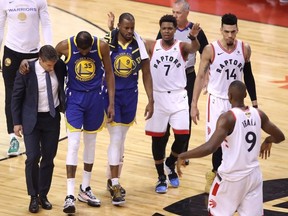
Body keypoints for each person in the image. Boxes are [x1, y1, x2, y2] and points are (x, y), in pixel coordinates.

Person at [177, 80, 285, 215]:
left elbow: (210, 147)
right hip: (253, 176)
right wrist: (268, 140)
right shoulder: (259, 114)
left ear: (229, 96)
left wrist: (183, 155)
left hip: (231, 178)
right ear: (245, 94)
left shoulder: (228, 118)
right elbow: (280, 136)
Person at [191, 13, 258, 194]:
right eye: (226, 32)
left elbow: (249, 76)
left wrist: (255, 102)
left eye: (233, 32)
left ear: (237, 30)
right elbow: (199, 77)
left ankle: (231, 177)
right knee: (217, 142)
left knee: (236, 142)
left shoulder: (244, 48)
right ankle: (214, 174)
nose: (230, 35)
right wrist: (194, 104)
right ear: (221, 30)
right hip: (217, 101)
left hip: (237, 102)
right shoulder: (210, 49)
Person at [55, 31, 115, 214]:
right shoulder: (63, 46)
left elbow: (110, 74)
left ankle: (85, 189)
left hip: (95, 99)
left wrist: (111, 103)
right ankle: (69, 195)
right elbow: (51, 67)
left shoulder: (101, 47)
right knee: (73, 144)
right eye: (81, 51)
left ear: (91, 45)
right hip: (75, 99)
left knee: (91, 143)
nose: (83, 53)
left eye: (86, 50)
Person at [145, 14, 200, 194]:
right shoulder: (152, 46)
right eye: (164, 28)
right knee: (158, 139)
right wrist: (113, 29)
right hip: (159, 97)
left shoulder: (181, 46)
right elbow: (130, 38)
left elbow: (195, 48)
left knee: (183, 136)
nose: (167, 31)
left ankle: (170, 162)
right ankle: (161, 175)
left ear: (175, 30)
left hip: (178, 96)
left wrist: (193, 36)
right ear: (160, 29)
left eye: (170, 28)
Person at [103, 13, 154, 205]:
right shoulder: (107, 41)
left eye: (132, 27)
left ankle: (111, 179)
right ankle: (115, 183)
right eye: (126, 28)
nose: (130, 31)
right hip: (111, 97)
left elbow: (147, 72)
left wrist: (151, 99)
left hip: (130, 97)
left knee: (121, 141)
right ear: (118, 26)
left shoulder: (138, 42)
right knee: (116, 139)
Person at [11, 45, 66, 213]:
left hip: (51, 118)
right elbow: (16, 97)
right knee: (33, 157)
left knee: (49, 158)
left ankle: (43, 195)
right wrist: (16, 122)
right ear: (40, 60)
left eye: (53, 64)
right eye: (48, 65)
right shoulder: (26, 70)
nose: (51, 68)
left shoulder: (58, 66)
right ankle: (33, 196)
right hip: (31, 120)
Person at [156, 0, 209, 166]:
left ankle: (182, 153)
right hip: (169, 79)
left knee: (186, 115)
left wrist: (206, 75)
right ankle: (164, 151)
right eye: (173, 12)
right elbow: (157, 51)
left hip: (188, 77)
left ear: (187, 13)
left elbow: (206, 53)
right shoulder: (166, 30)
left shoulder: (195, 31)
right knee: (165, 115)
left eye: (178, 13)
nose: (174, 16)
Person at [0, 0, 53, 156]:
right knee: (11, 95)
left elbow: (46, 24)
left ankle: (35, 135)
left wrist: (49, 49)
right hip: (11, 52)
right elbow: (0, 25)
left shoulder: (39, 1)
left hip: (32, 53)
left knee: (34, 95)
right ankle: (13, 138)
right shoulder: (4, 1)